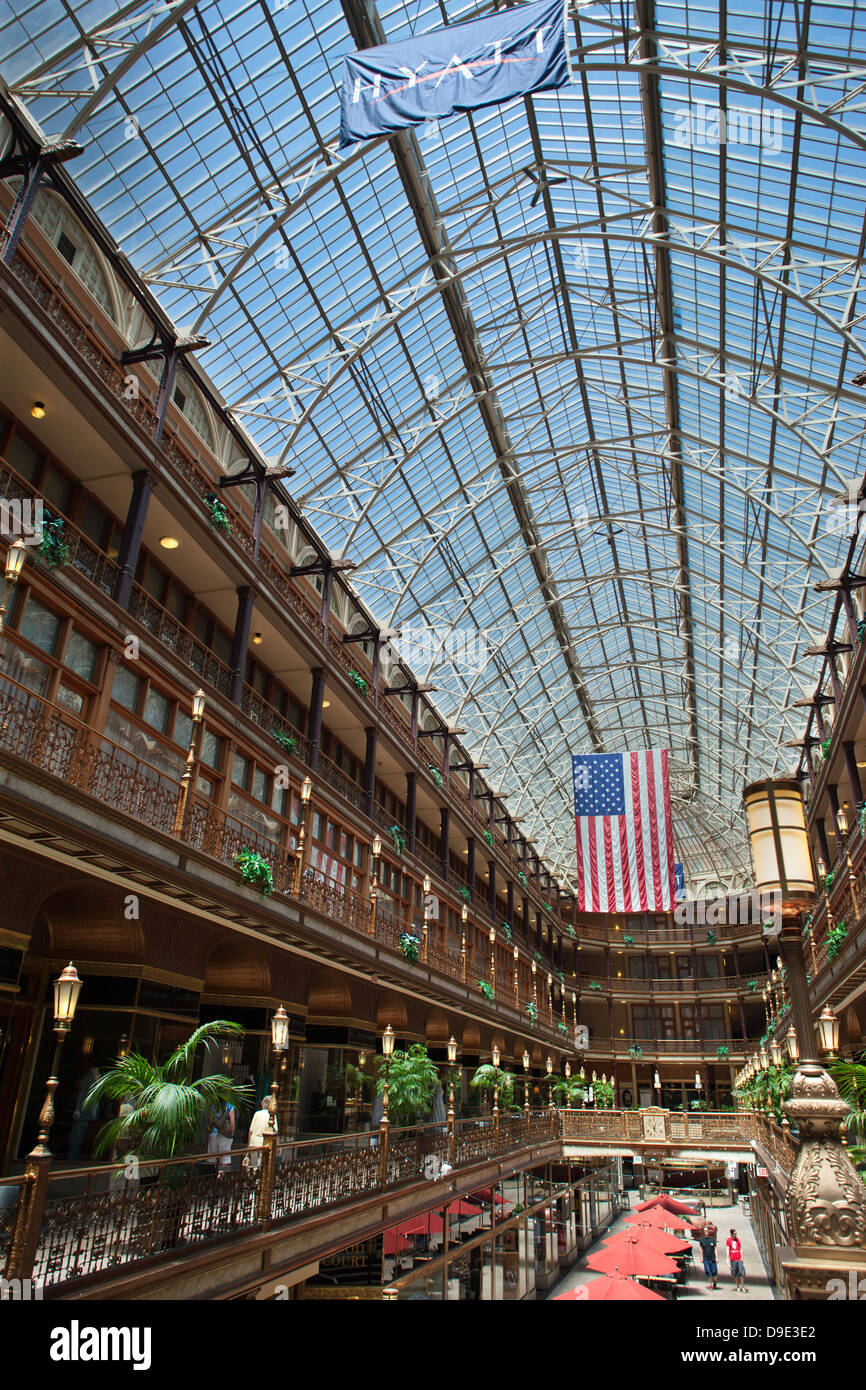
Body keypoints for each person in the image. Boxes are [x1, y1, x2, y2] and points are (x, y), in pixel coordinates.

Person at [245, 1095, 275, 1168]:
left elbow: (250, 1131)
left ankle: (253, 1177)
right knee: (262, 1166)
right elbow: (275, 1132)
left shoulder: (257, 1114)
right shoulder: (272, 1116)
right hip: (264, 1144)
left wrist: (248, 1144)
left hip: (254, 1143)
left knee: (254, 1165)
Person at [207, 1099, 236, 1171]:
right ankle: (221, 1178)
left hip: (213, 1134)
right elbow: (232, 1121)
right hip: (224, 1136)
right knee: (224, 1161)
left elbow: (210, 1122)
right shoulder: (229, 1106)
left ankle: (212, 1177)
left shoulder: (214, 1106)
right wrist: (231, 1133)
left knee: (212, 1159)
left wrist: (207, 1134)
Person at [726, 1227, 747, 1293]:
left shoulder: (738, 1240)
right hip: (733, 1259)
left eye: (736, 1234)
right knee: (735, 1273)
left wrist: (742, 1257)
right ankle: (738, 1286)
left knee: (741, 1272)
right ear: (731, 1234)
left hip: (739, 1258)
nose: (735, 1235)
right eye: (734, 1234)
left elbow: (740, 1248)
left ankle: (742, 1286)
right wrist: (727, 1259)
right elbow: (727, 1249)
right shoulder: (728, 1240)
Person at [698, 1222, 718, 1290]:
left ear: (708, 1232)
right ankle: (711, 1285)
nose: (706, 1232)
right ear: (704, 1232)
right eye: (705, 1231)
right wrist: (701, 1258)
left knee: (714, 1272)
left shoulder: (712, 1239)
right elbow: (701, 1249)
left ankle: (714, 1282)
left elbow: (715, 1248)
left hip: (712, 1258)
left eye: (707, 1231)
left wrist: (717, 1257)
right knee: (708, 1272)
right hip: (706, 1258)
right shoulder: (702, 1240)